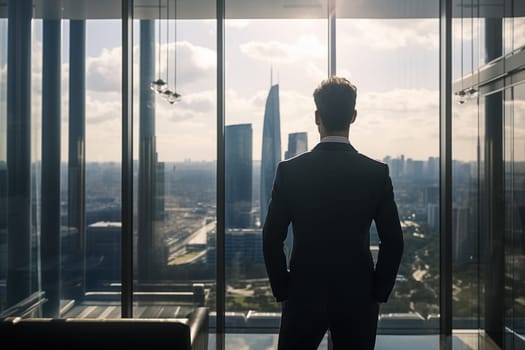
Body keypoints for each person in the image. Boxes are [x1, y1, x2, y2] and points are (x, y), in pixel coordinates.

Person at [262, 76, 404, 350]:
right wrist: (376, 292)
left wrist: (284, 291)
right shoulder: (376, 173)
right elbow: (394, 241)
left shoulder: (290, 172)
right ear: (353, 116)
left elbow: (271, 238)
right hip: (358, 296)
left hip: (303, 293)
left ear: (317, 117)